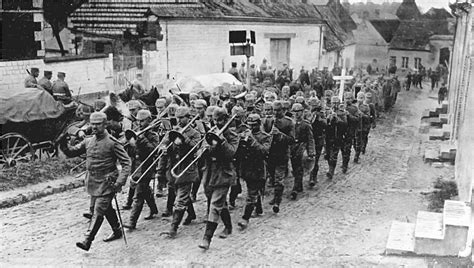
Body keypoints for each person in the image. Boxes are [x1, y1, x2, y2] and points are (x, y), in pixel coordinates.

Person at [60, 112, 131, 251]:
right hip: (92, 182)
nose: (94, 127)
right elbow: (71, 152)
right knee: (106, 208)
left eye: (98, 124)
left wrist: (119, 182)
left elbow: (127, 163)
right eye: (92, 123)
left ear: (105, 125)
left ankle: (88, 240)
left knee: (98, 211)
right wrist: (63, 142)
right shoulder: (88, 141)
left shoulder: (112, 142)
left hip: (108, 182)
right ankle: (117, 230)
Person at [199, 108, 239, 250]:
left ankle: (206, 238)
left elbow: (232, 153)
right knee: (219, 203)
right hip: (210, 173)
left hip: (224, 173)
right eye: (215, 120)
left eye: (220, 120)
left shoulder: (232, 134)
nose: (217, 123)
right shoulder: (211, 132)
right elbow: (203, 150)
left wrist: (221, 141)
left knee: (215, 205)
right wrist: (205, 148)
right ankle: (228, 227)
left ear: (226, 119)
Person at [159, 107, 201, 238]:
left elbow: (196, 147)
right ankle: (192, 214)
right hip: (173, 168)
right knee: (180, 194)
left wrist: (183, 139)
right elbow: (163, 143)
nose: (179, 120)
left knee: (180, 200)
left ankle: (173, 228)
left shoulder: (195, 133)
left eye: (181, 118)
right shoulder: (173, 131)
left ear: (188, 118)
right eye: (177, 118)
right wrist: (164, 148)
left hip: (186, 169)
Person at [123, 110, 159, 230]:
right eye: (138, 121)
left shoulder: (153, 135)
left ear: (149, 120)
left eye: (142, 121)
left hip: (147, 168)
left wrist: (142, 139)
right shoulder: (136, 134)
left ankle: (132, 222)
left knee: (138, 195)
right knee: (145, 190)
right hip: (136, 167)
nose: (140, 123)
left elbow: (153, 151)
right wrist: (132, 145)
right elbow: (132, 154)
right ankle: (153, 209)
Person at [235, 113, 271, 229]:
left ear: (259, 124)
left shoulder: (265, 136)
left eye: (254, 125)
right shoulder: (243, 135)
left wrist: (252, 140)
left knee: (251, 194)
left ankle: (245, 218)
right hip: (246, 169)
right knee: (253, 190)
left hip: (258, 169)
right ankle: (259, 207)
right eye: (249, 125)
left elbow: (264, 151)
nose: (251, 127)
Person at [267, 101, 295, 213]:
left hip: (282, 154)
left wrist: (279, 134)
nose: (275, 112)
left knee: (279, 179)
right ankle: (275, 195)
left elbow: (292, 140)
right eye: (274, 110)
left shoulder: (289, 122)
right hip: (270, 154)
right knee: (273, 177)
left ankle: (277, 202)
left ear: (283, 110)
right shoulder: (268, 121)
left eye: (278, 110)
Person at [290, 103, 315, 200]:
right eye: (295, 112)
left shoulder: (306, 124)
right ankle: (299, 185)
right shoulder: (291, 123)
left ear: (302, 112)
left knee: (299, 168)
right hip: (293, 148)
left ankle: (295, 189)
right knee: (294, 167)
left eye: (299, 112)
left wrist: (311, 152)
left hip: (302, 147)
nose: (297, 114)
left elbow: (310, 139)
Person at [325, 97, 347, 180]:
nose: (334, 105)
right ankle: (330, 166)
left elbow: (345, 124)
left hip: (337, 137)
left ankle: (331, 171)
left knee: (333, 155)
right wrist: (328, 118)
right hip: (328, 137)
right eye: (333, 103)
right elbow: (324, 123)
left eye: (336, 103)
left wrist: (337, 119)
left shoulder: (342, 113)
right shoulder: (327, 112)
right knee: (327, 155)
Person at [308, 97, 326, 186]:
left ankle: (313, 177)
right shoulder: (306, 113)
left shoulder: (321, 114)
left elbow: (326, 124)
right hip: (308, 139)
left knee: (316, 159)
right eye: (312, 105)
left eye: (315, 106)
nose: (313, 108)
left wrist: (319, 119)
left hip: (318, 138)